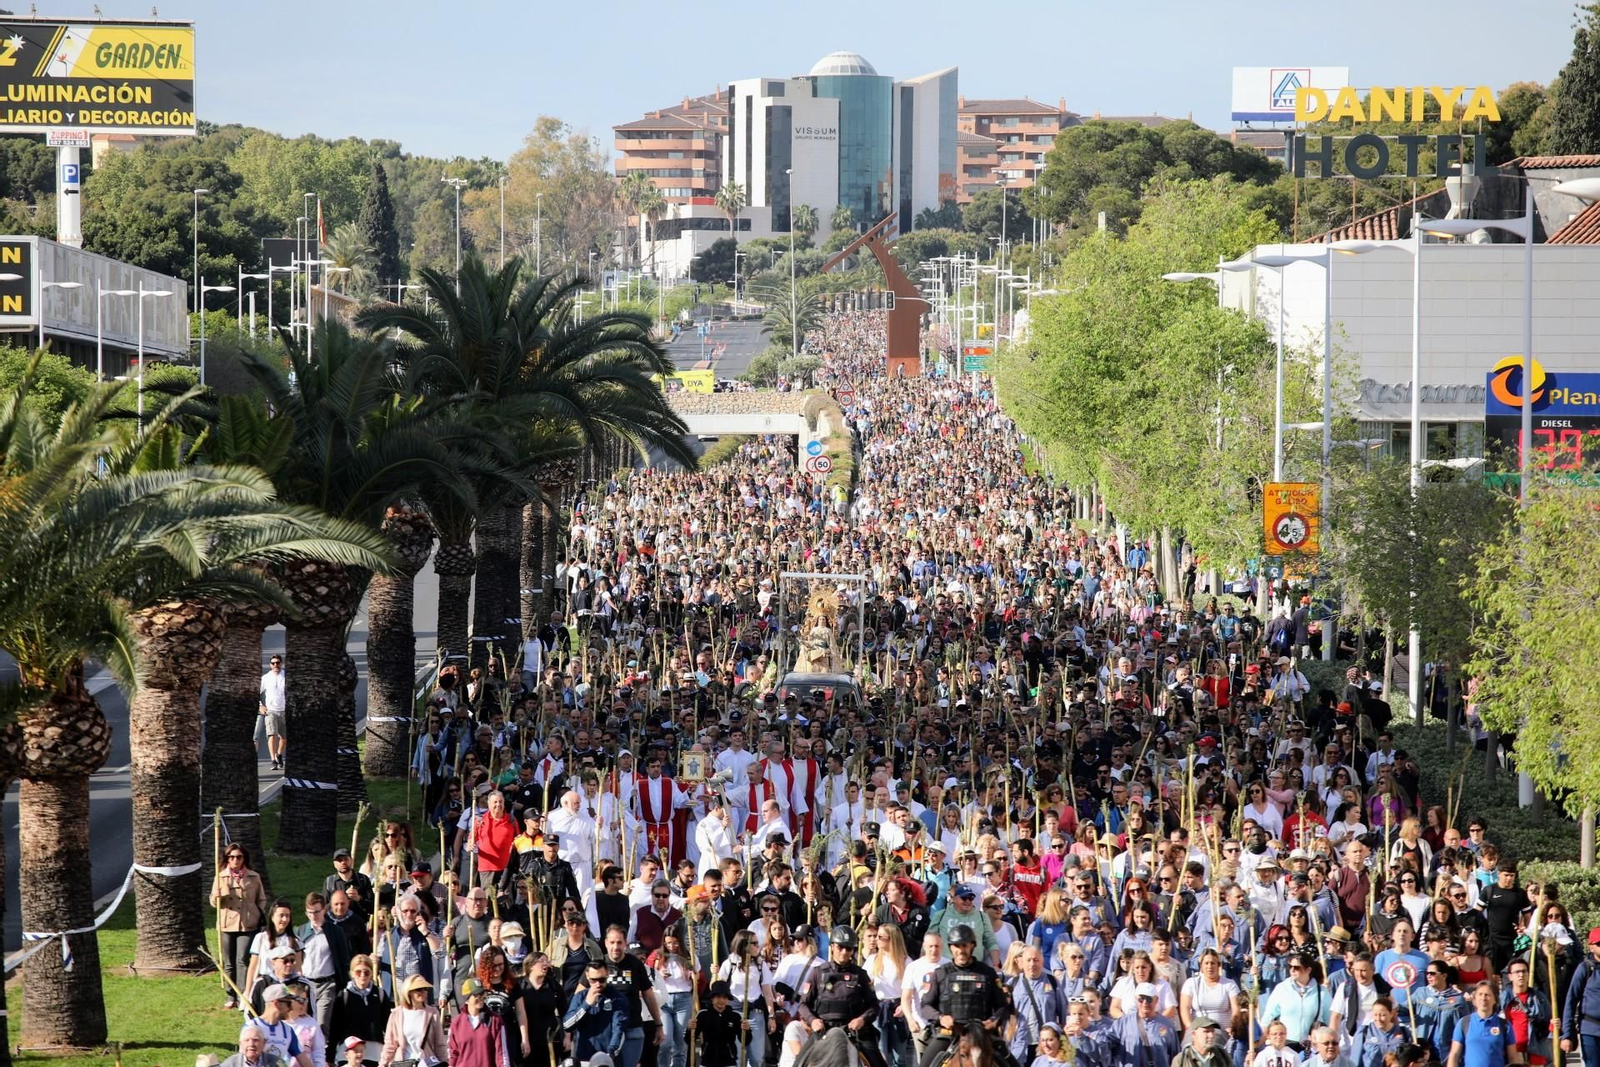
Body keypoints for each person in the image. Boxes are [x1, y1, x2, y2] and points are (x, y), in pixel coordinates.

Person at [918, 924, 1010, 1067]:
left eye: (964, 945)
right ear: (951, 948)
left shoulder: (987, 973)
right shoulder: (940, 973)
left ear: (972, 946)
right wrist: (941, 1018)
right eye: (957, 946)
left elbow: (1003, 1006)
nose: (961, 950)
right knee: (925, 1064)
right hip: (950, 1033)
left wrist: (993, 1020)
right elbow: (925, 1006)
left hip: (981, 1034)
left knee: (1011, 1063)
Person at [805, 925, 888, 1067]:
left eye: (848, 948)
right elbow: (803, 1004)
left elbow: (874, 1005)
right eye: (840, 947)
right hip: (824, 1030)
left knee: (878, 1062)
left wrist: (862, 1019)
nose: (844, 952)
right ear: (832, 946)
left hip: (854, 1032)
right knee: (799, 1062)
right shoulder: (817, 973)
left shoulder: (861, 975)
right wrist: (812, 1021)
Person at [212, 843, 271, 1010]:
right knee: (229, 961)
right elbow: (212, 901)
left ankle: (243, 994)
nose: (235, 860)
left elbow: (262, 898)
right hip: (227, 924)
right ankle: (230, 995)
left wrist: (257, 912)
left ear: (244, 858)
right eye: (231, 857)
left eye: (239, 857)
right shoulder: (221, 876)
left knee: (243, 960)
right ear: (227, 859)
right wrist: (217, 896)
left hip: (248, 924)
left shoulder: (253, 876)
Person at [329, 954, 392, 1067]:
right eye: (358, 972)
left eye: (366, 972)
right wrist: (330, 1056)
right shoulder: (344, 995)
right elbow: (335, 1028)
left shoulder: (380, 994)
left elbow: (388, 1026)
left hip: (374, 1052)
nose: (362, 976)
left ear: (371, 973)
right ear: (352, 973)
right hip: (349, 1051)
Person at [565, 960, 629, 1065]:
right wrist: (586, 1005)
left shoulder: (618, 998)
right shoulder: (580, 997)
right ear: (587, 976)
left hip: (608, 1058)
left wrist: (610, 1053)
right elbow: (567, 1025)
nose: (598, 984)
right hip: (584, 1058)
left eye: (602, 980)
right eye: (593, 980)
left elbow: (619, 1028)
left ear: (608, 974)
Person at [1449, 981, 1523, 1067]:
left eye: (1487, 995)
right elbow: (1454, 1055)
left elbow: (1513, 1057)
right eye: (1480, 994)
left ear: (1495, 999)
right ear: (1474, 999)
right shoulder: (1464, 1023)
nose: (1483, 998)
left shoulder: (1505, 1025)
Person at [378, 974, 446, 1067]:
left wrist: (444, 1062)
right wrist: (383, 1064)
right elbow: (390, 1045)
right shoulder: (396, 1014)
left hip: (427, 1062)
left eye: (425, 989)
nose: (423, 992)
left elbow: (439, 1044)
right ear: (408, 992)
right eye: (419, 989)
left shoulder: (432, 1013)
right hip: (403, 1063)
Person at [450, 978, 514, 1067]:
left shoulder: (495, 1020)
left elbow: (502, 1052)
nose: (480, 997)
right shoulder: (456, 1023)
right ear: (467, 999)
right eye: (476, 995)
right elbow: (453, 1053)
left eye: (482, 994)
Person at [693, 981, 746, 1067]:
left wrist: (746, 1030)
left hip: (729, 1061)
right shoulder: (703, 1015)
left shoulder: (735, 1016)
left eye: (725, 997)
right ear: (712, 998)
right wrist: (690, 1029)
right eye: (718, 997)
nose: (721, 1000)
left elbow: (746, 1041)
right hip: (707, 1060)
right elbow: (689, 1039)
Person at [260, 654, 287, 770]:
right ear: (270, 665)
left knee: (284, 738)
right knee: (272, 735)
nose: (275, 665)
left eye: (277, 662)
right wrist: (260, 706)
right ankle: (273, 760)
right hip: (270, 711)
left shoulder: (286, 676)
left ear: (281, 663)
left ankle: (279, 754)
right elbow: (257, 692)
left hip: (284, 710)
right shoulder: (265, 678)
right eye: (273, 663)